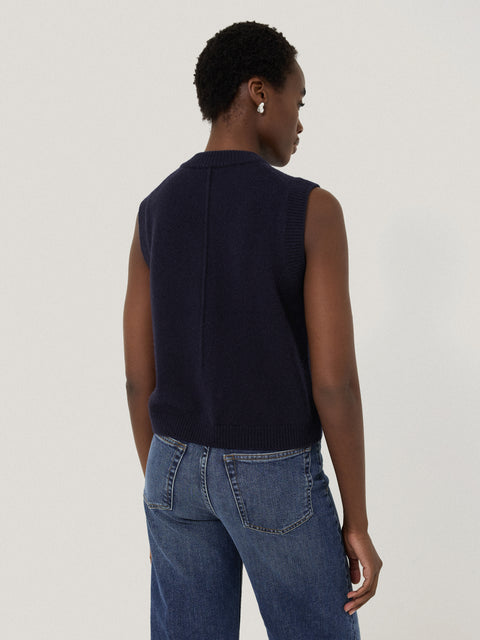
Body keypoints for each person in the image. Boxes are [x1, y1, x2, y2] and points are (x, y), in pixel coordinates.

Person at [123, 20, 382, 640]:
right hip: (274, 475)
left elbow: (137, 378)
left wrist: (166, 487)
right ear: (259, 92)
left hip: (169, 464)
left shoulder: (155, 209)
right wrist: (357, 521)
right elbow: (335, 383)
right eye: (299, 101)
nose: (300, 122)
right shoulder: (312, 210)